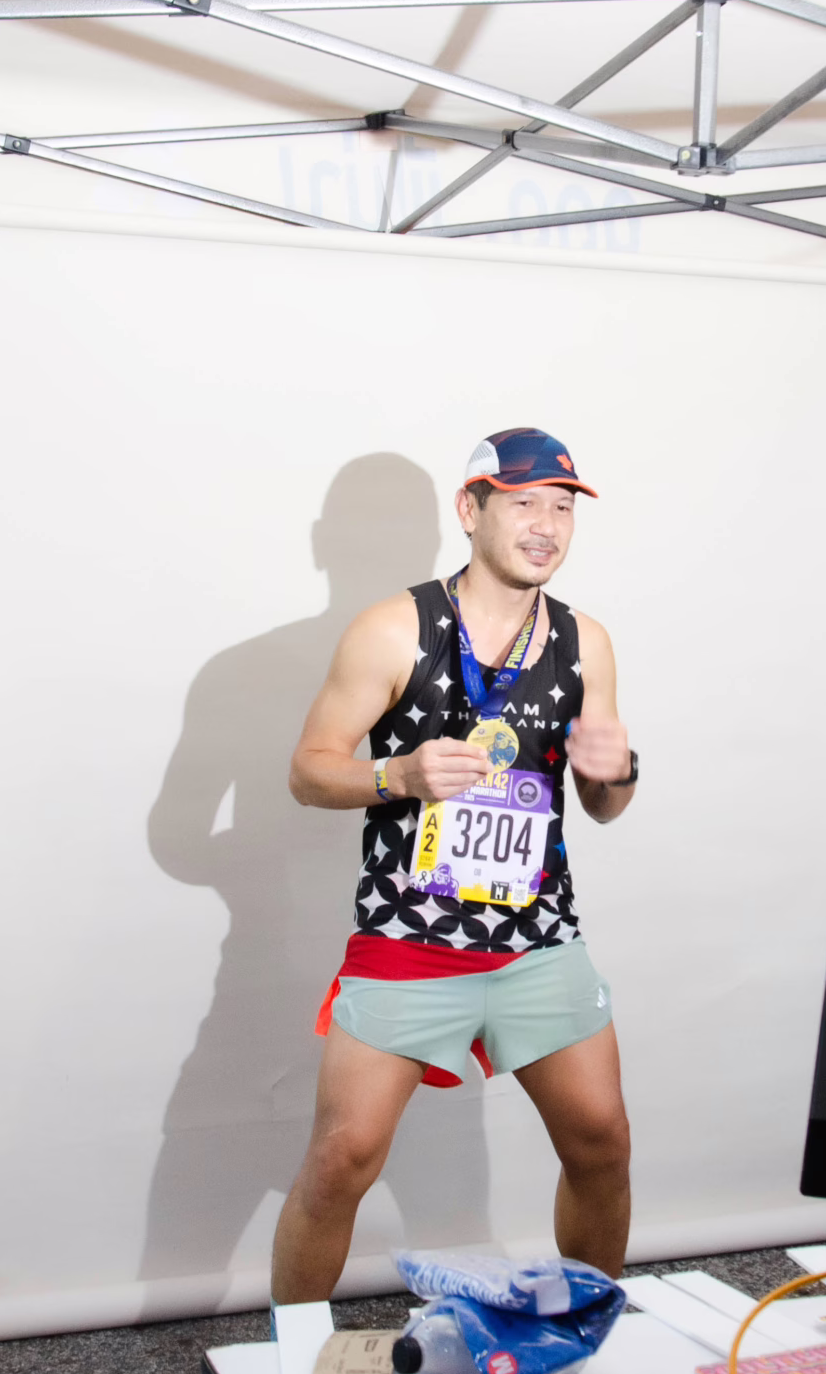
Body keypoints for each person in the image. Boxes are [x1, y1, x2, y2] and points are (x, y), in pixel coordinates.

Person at [273, 428, 639, 1303]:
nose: (546, 524)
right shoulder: (394, 629)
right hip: (409, 936)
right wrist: (396, 774)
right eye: (524, 503)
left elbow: (604, 803)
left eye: (562, 507)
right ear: (470, 510)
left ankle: (582, 1325)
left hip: (538, 936)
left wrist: (615, 772)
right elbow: (308, 770)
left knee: (603, 1144)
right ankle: (294, 1356)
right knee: (341, 1158)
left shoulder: (584, 642)